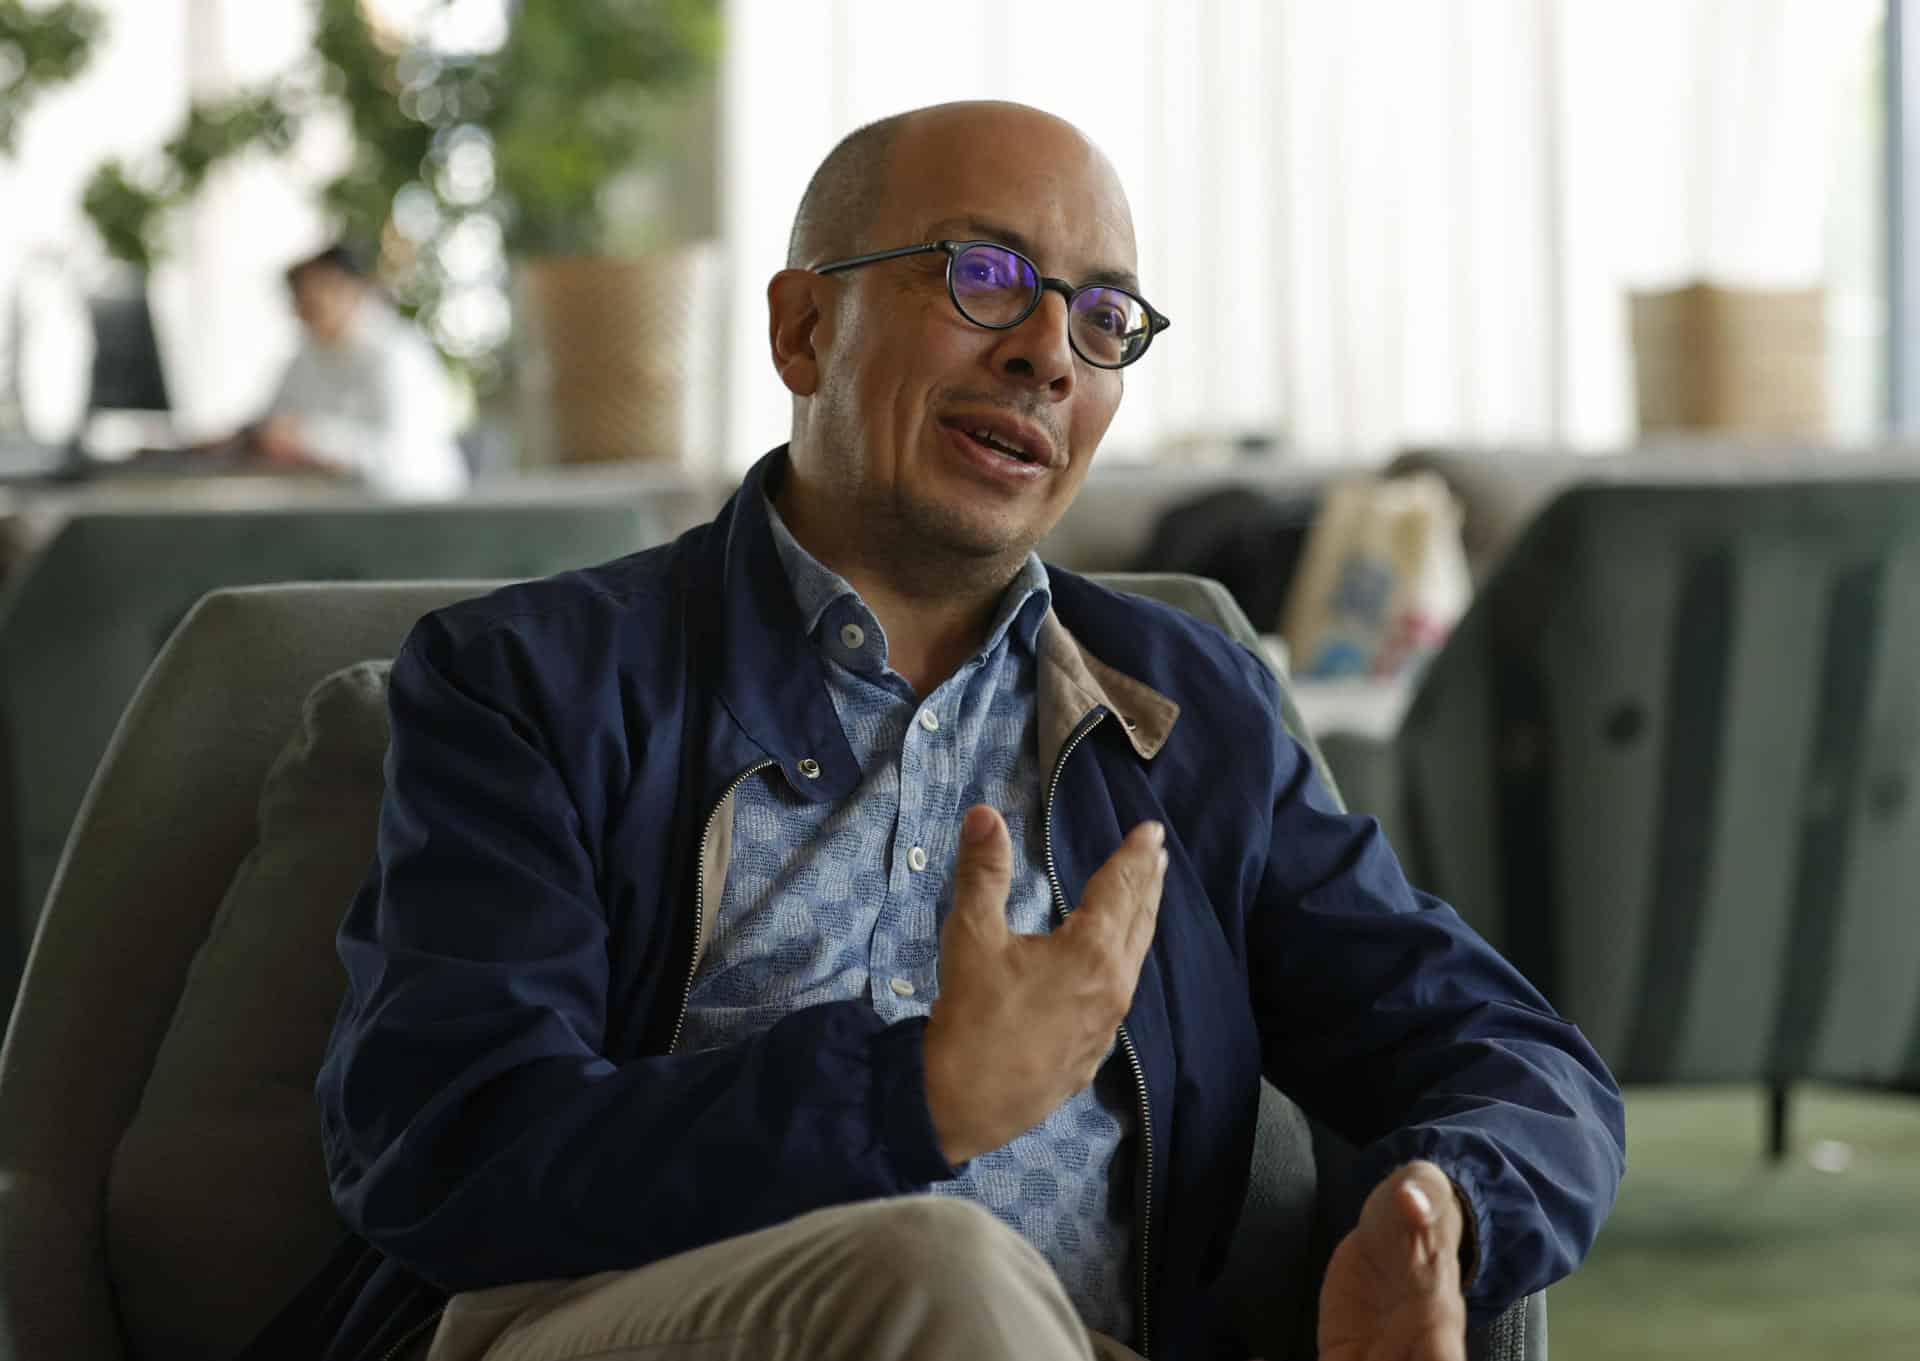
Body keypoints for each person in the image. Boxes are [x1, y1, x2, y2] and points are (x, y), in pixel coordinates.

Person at [298, 102, 1624, 1361]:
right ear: (805, 328)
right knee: (942, 1268)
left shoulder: (1188, 708)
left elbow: (1514, 1056)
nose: (1049, 350)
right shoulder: (533, 681)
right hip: (602, 1329)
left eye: (1104, 316)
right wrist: (908, 1098)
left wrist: (1456, 1208)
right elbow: (443, 1143)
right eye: (984, 274)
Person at [198, 245, 468, 498]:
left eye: (314, 296)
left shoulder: (398, 355)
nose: (303, 310)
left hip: (416, 511)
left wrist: (309, 440)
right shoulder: (305, 356)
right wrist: (243, 439)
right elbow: (273, 421)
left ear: (350, 288)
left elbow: (401, 459)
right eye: (299, 299)